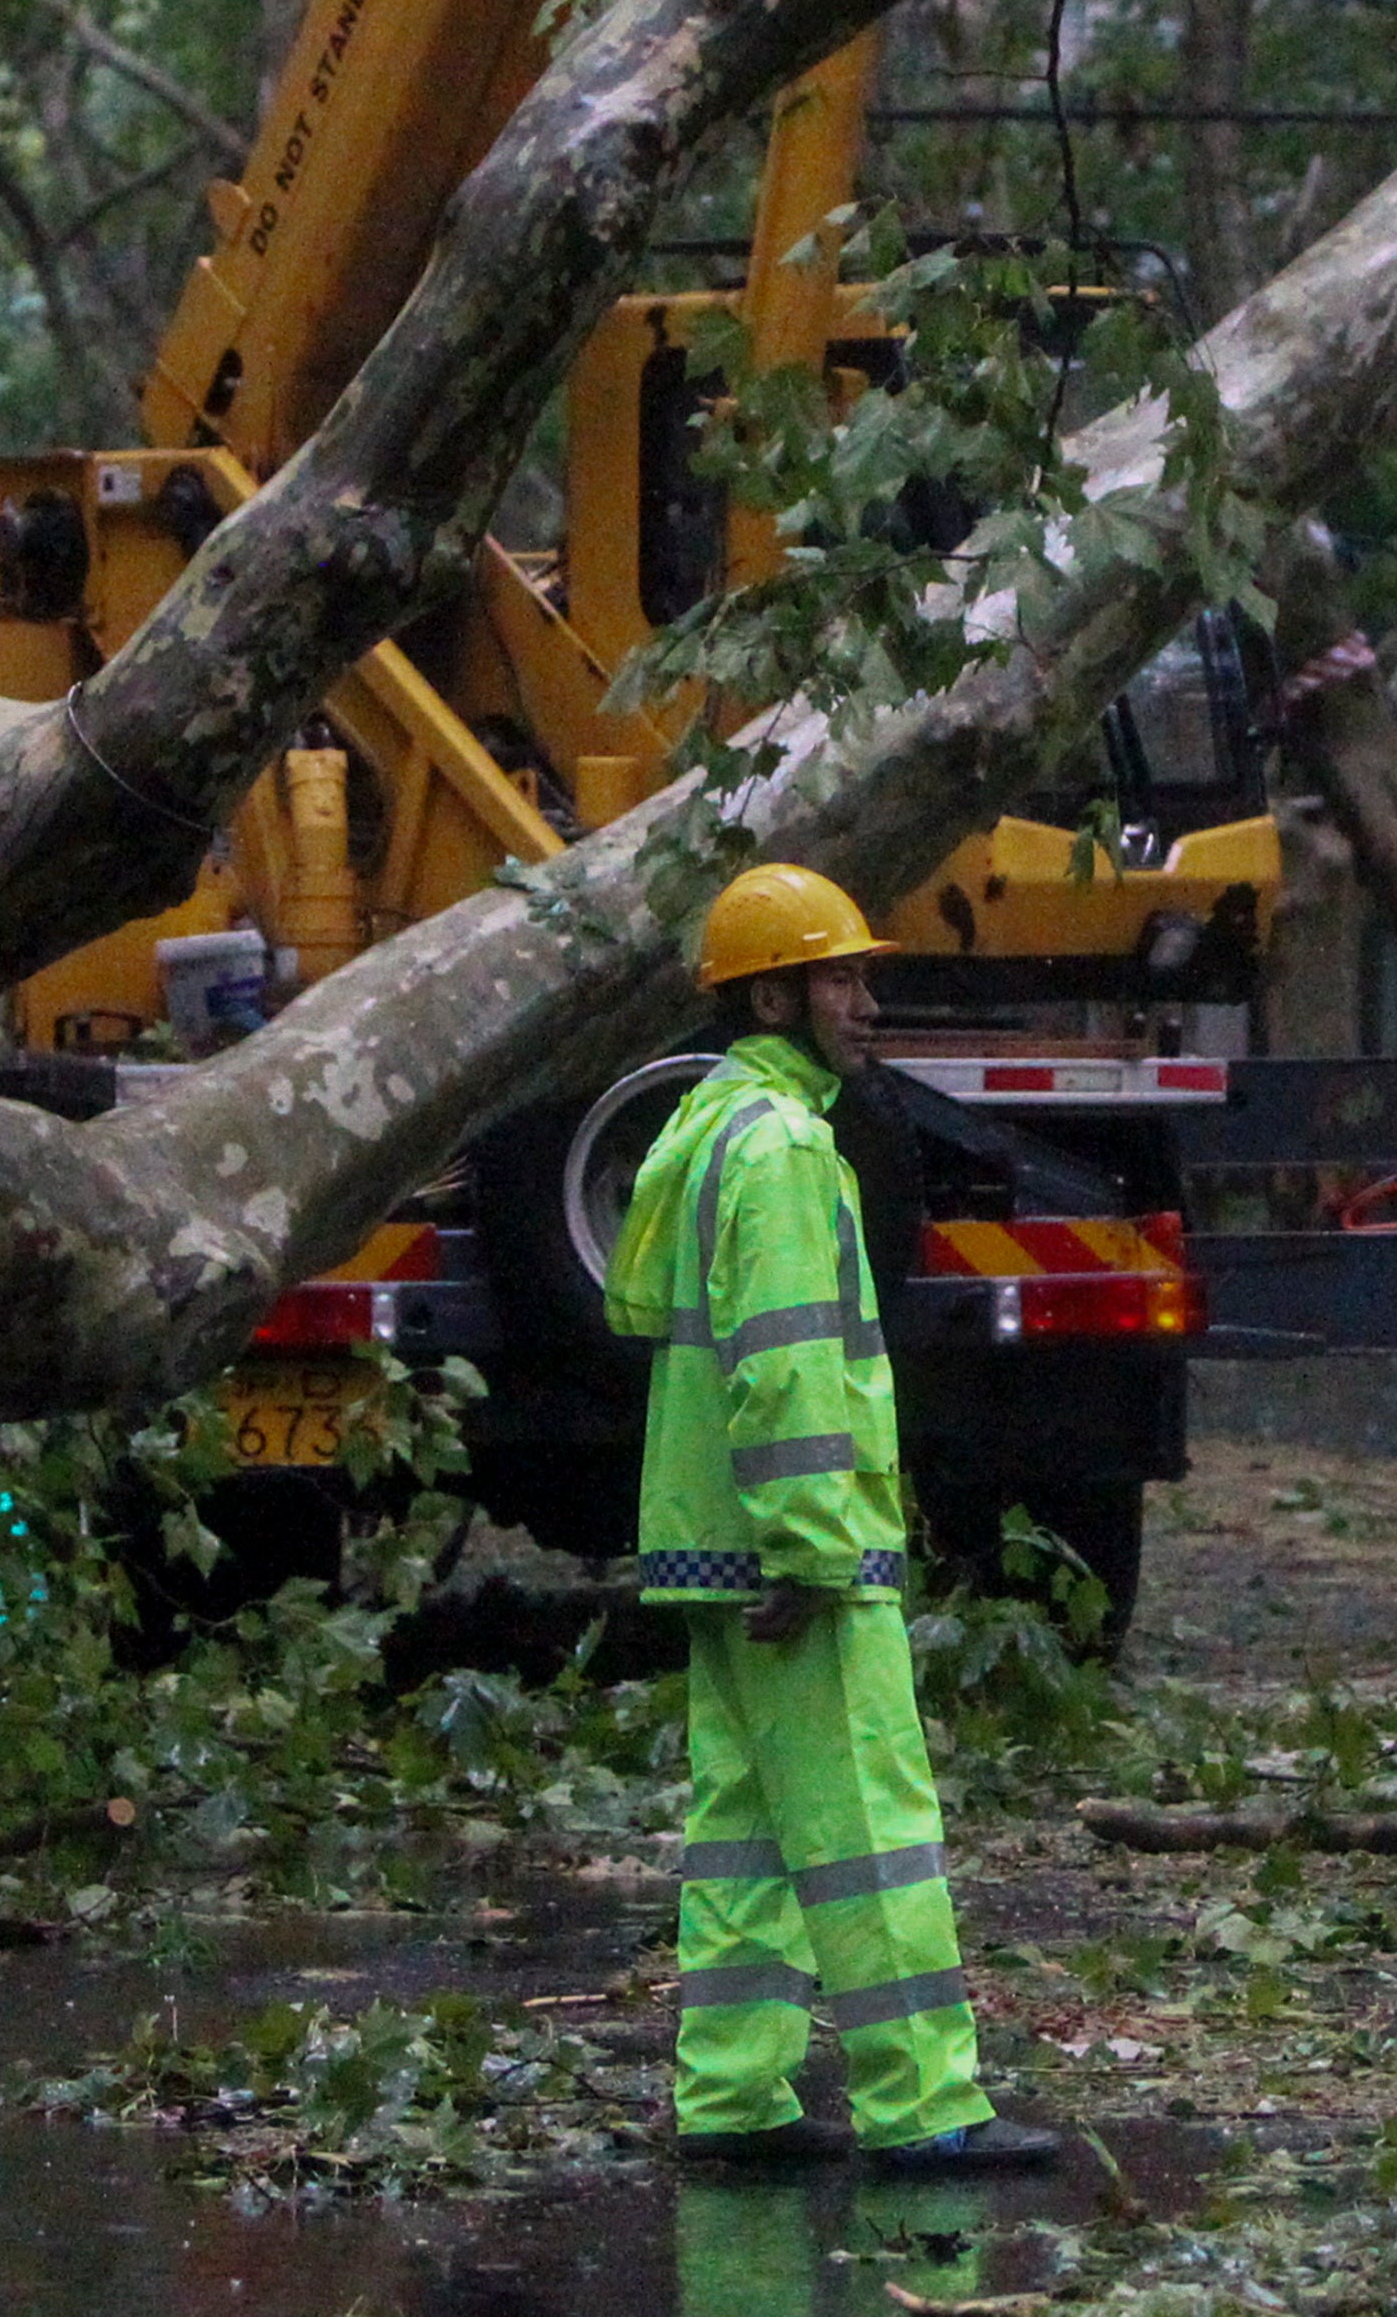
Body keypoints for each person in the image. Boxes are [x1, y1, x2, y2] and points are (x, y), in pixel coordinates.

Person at [608, 863, 1062, 2175]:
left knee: (745, 1831)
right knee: (870, 1828)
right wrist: (811, 1550)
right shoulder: (790, 1150)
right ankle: (927, 2106)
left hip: (712, 1544)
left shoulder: (709, 1130)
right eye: (843, 977)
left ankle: (735, 2099)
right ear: (771, 994)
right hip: (792, 1556)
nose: (868, 1001)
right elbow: (790, 1366)